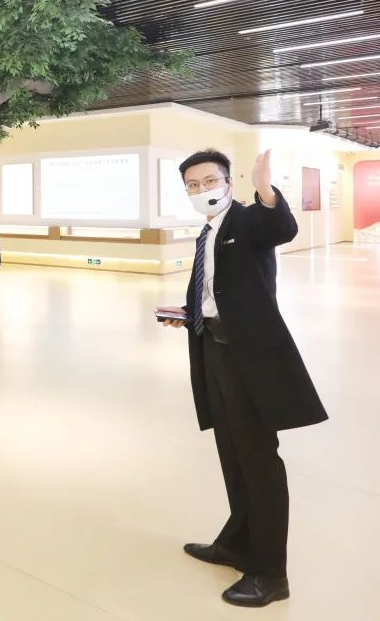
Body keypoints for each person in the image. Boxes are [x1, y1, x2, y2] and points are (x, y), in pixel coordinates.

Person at [156, 148, 327, 608]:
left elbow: (281, 228)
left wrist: (266, 189)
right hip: (215, 351)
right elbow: (217, 289)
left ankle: (271, 573)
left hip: (250, 361)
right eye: (193, 185)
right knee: (232, 452)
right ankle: (236, 543)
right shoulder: (208, 231)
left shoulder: (248, 220)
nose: (202, 190)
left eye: (209, 181)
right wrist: (188, 313)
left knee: (259, 459)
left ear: (229, 182)